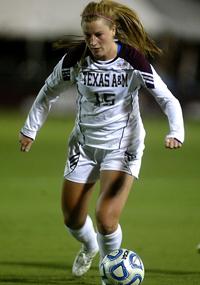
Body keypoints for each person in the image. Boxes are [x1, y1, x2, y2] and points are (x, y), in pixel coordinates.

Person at [19, 0, 184, 283]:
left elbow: (167, 98)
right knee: (71, 218)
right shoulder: (76, 59)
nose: (92, 42)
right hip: (83, 146)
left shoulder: (132, 59)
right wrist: (30, 129)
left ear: (114, 31)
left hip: (122, 146)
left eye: (99, 35)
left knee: (106, 219)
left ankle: (111, 274)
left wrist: (176, 131)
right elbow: (48, 92)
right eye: (87, 35)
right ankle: (89, 246)